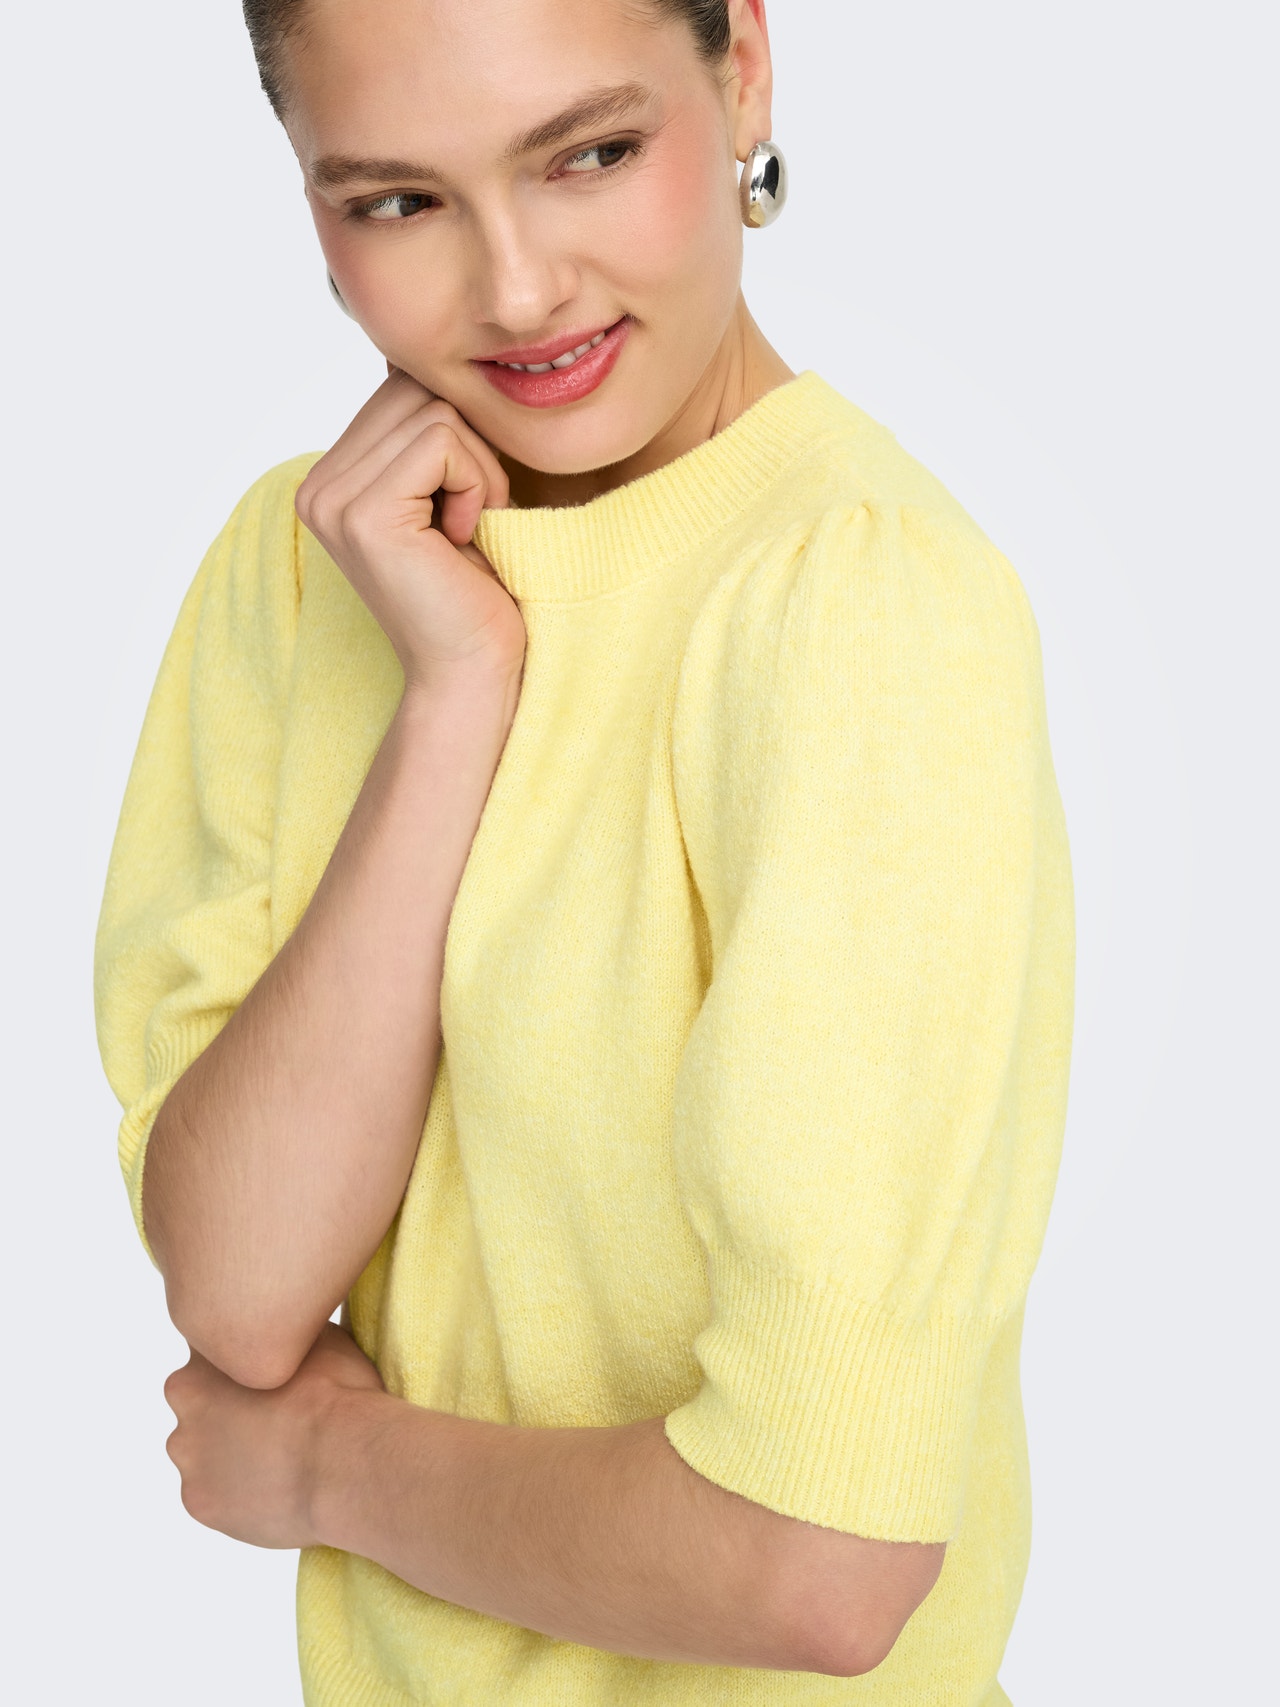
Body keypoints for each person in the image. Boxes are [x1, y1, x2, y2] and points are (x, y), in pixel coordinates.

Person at [92, 0, 1076, 1701]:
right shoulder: (308, 566)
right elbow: (241, 1293)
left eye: (591, 154)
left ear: (742, 67)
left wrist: (326, 1472)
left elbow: (818, 1563)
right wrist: (455, 692)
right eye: (398, 200)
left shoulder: (862, 606)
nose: (519, 289)